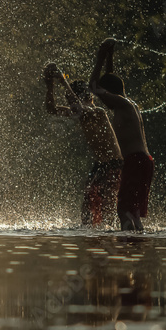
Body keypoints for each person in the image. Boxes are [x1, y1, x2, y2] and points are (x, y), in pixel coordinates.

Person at [44, 63, 123, 227]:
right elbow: (52, 109)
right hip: (101, 165)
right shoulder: (80, 112)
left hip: (113, 164)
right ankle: (90, 235)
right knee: (87, 208)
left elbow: (78, 107)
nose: (70, 105)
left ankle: (114, 237)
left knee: (107, 208)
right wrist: (49, 85)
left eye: (71, 99)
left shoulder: (97, 112)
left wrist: (62, 80)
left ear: (88, 97)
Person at [89, 39, 154, 231]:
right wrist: (110, 56)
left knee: (123, 211)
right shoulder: (128, 104)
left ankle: (126, 250)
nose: (102, 100)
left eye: (104, 95)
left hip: (135, 161)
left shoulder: (122, 104)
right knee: (132, 212)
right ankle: (136, 249)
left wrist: (99, 58)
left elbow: (93, 87)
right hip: (144, 161)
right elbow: (111, 79)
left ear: (109, 92)